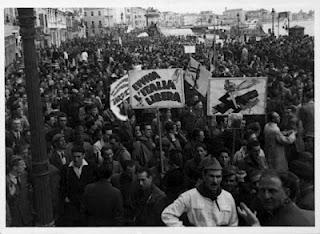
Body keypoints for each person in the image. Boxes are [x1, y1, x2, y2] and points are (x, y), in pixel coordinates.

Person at [162, 157, 238, 226]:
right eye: (211, 176)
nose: (215, 181)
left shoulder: (228, 197)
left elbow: (233, 223)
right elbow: (167, 215)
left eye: (218, 177)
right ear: (204, 176)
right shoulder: (190, 196)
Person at [238, 169, 315, 226]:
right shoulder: (264, 213)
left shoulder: (293, 222)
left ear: (287, 193)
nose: (266, 196)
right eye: (262, 190)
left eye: (272, 191)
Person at [60, 145, 96, 226]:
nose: (76, 159)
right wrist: (65, 197)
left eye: (78, 156)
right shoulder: (66, 169)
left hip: (88, 203)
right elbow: (63, 185)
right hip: (73, 205)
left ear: (83, 155)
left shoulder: (91, 166)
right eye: (74, 157)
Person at [6, 156, 33, 226]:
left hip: (28, 215)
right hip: (16, 218)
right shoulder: (6, 181)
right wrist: (11, 195)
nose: (25, 166)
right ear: (14, 167)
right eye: (22, 165)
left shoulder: (24, 175)